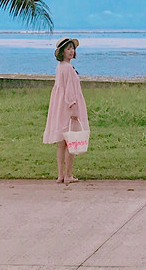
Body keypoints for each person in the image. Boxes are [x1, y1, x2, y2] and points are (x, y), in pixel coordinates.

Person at [43, 37, 88, 183]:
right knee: (71, 142)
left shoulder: (61, 67)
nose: (71, 51)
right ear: (62, 52)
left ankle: (61, 174)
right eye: (68, 48)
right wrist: (74, 110)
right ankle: (68, 175)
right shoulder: (67, 68)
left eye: (72, 48)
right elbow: (69, 91)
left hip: (60, 106)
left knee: (62, 142)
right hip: (68, 107)